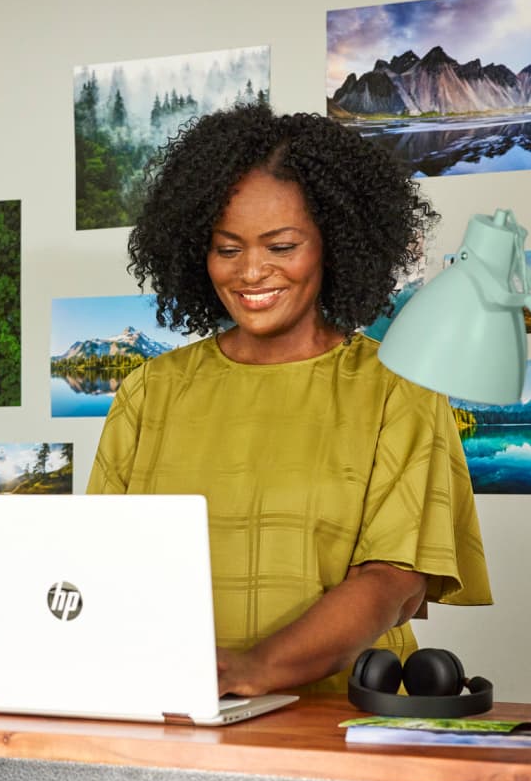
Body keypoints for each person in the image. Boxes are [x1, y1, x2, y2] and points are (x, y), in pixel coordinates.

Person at [86, 103, 492, 696]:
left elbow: (392, 581)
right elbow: (99, 561)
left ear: (336, 242)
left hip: (339, 723)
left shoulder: (397, 391)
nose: (251, 272)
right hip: (173, 706)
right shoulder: (152, 390)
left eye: (281, 246)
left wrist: (256, 669)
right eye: (227, 249)